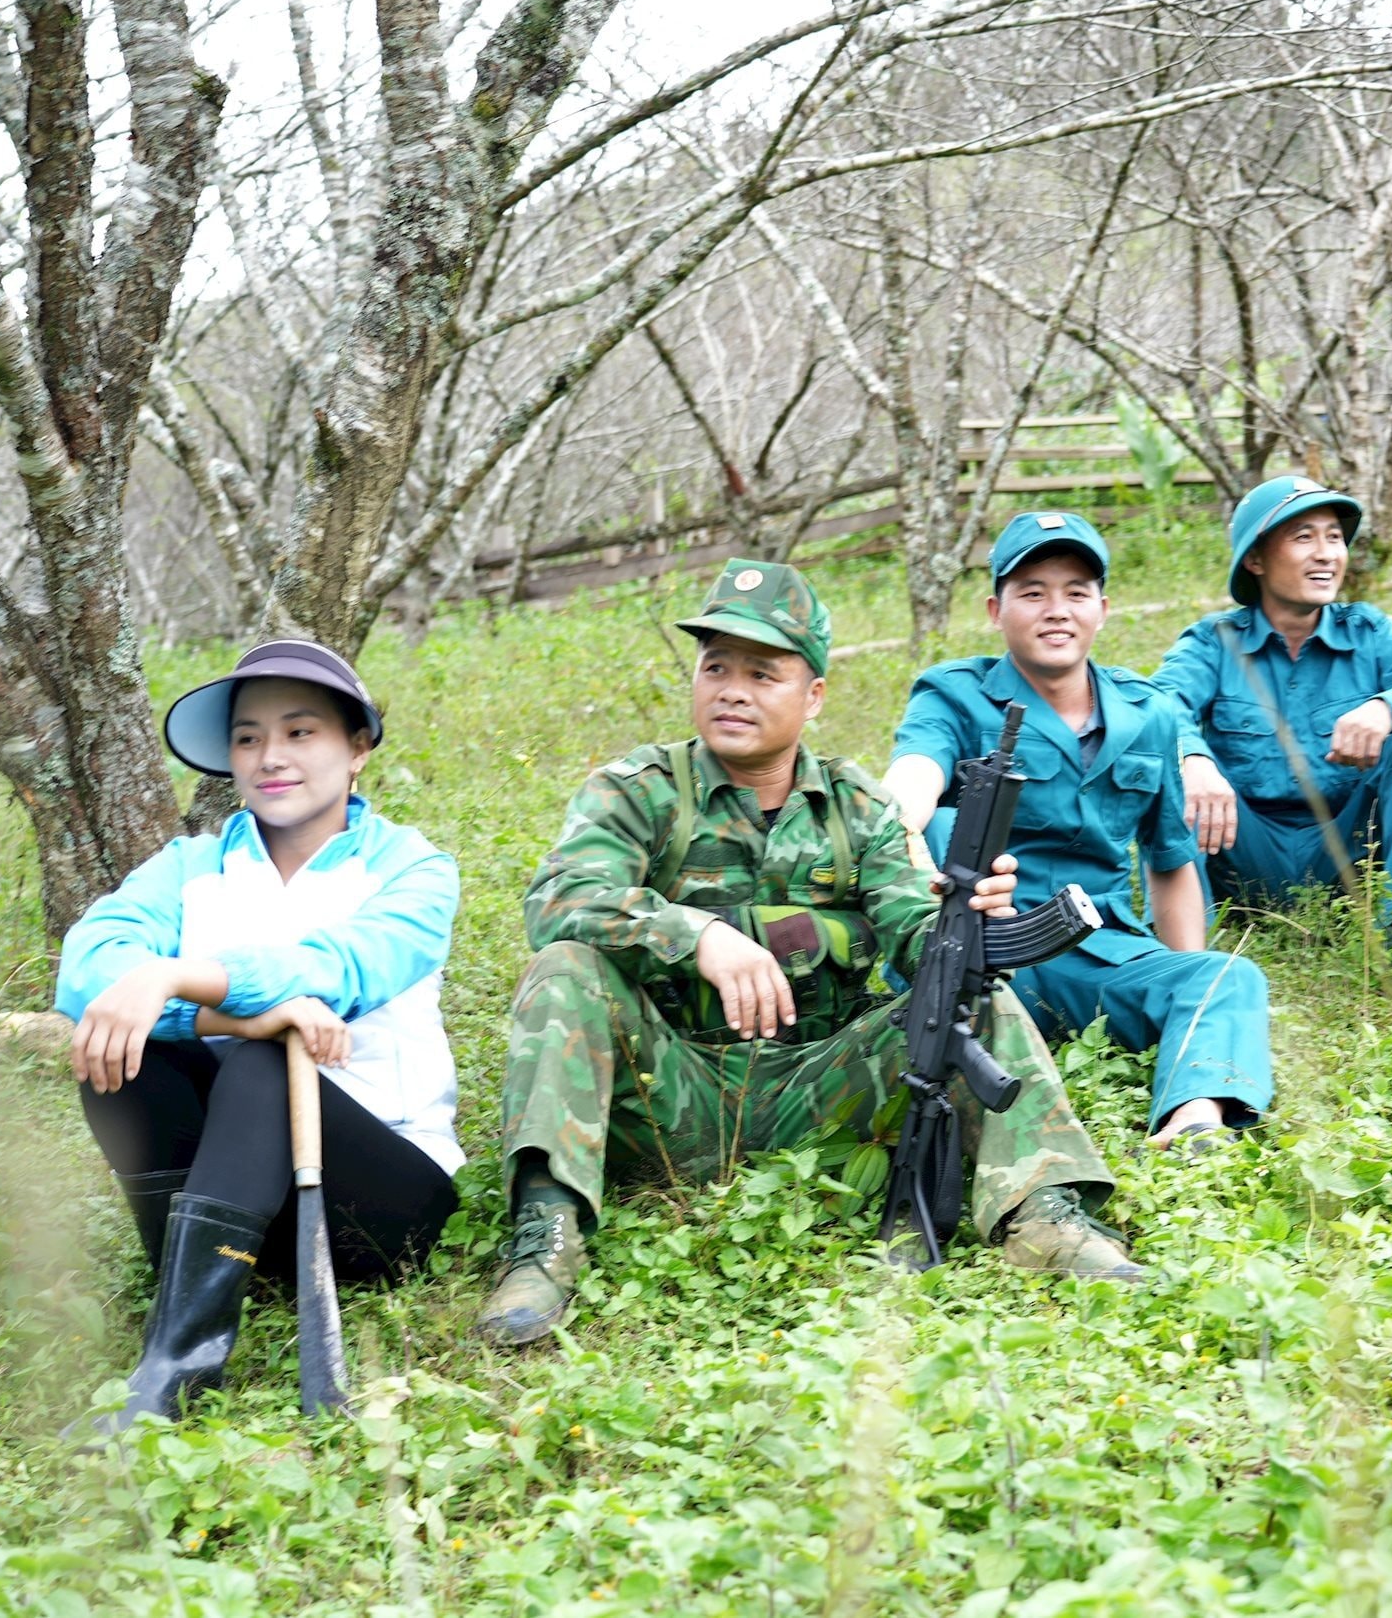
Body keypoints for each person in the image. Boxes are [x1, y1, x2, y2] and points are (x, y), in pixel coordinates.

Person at [477, 560, 1137, 1347]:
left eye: (763, 673)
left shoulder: (858, 807)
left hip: (822, 1095)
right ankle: (546, 1237)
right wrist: (697, 936)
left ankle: (1044, 1215)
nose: (732, 691)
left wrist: (964, 921)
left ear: (814, 695)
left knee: (968, 996)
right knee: (563, 971)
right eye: (716, 668)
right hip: (665, 1090)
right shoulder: (638, 789)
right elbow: (559, 901)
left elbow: (914, 935)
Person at [57, 641, 463, 1427]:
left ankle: (177, 1371)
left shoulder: (412, 869)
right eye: (248, 738)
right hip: (237, 1205)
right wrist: (236, 1015)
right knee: (127, 1050)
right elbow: (89, 968)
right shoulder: (190, 866)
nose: (270, 756)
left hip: (377, 1204)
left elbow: (340, 968)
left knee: (265, 1063)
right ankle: (191, 1293)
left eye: (300, 732)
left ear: (358, 748)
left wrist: (179, 977)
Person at [886, 512, 1276, 1152]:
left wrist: (1184, 981)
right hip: (979, 954)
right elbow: (912, 780)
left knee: (1228, 977)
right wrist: (905, 826)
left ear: (1102, 609)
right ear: (996, 610)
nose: (1056, 610)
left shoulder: (1148, 713)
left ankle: (1196, 1114)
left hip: (1096, 953)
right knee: (946, 824)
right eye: (1032, 592)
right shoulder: (954, 696)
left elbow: (1171, 860)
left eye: (1076, 592)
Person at [1151, 477, 1392, 1025]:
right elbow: (1157, 706)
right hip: (1241, 850)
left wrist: (1387, 708)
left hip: (1346, 852)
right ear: (1255, 559)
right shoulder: (1213, 641)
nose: (1326, 553)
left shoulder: (1370, 632)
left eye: (1334, 537)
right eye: (1303, 537)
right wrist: (1193, 759)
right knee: (1167, 761)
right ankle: (1188, 971)